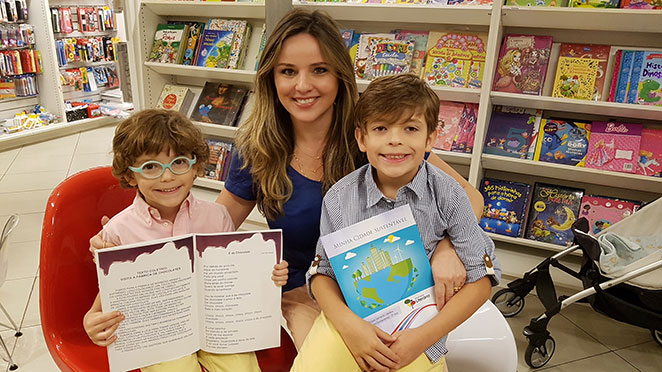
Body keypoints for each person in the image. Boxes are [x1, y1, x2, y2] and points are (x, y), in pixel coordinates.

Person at [91, 9, 483, 349]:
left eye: (319, 70)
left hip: (390, 287)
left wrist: (449, 245)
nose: (302, 86)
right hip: (303, 292)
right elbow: (210, 231)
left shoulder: (377, 134)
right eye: (288, 71)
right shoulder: (258, 149)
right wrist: (129, 240)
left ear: (340, 76)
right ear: (271, 78)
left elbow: (470, 199)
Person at [293, 74, 501, 372]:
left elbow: (482, 279)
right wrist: (351, 329)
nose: (395, 139)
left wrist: (421, 339)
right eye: (381, 128)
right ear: (361, 139)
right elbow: (321, 273)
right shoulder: (339, 197)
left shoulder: (450, 195)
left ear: (430, 138)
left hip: (419, 332)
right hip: (349, 327)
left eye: (410, 128)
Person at [83, 109, 288, 372]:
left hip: (216, 325)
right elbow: (115, 290)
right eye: (150, 167)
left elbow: (237, 275)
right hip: (160, 334)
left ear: (196, 168)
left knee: (242, 367)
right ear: (131, 175)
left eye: (179, 162)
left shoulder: (217, 217)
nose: (167, 176)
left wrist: (270, 274)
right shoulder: (118, 230)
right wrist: (93, 315)